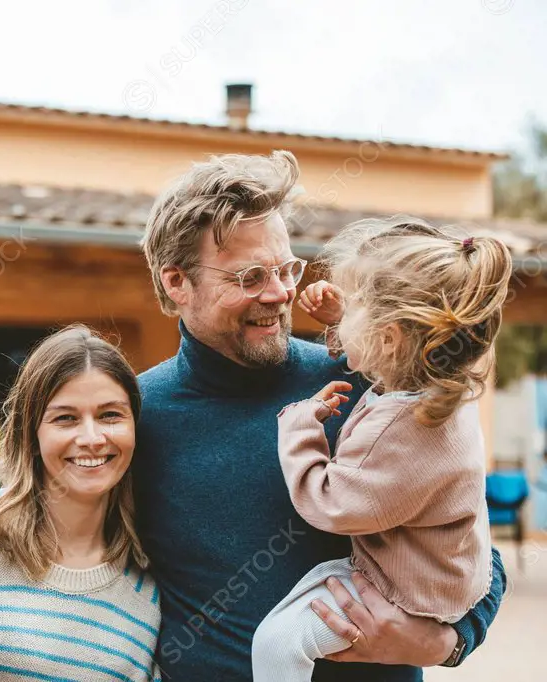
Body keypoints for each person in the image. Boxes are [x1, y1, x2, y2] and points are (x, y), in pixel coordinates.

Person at [135, 150, 506, 681]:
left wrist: (446, 640)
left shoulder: (374, 378)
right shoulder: (136, 414)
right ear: (176, 282)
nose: (281, 292)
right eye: (250, 276)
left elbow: (468, 540)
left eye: (287, 268)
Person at [251, 220, 510, 681]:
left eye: (355, 309)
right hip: (431, 576)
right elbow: (387, 371)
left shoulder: (403, 429)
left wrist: (297, 426)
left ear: (388, 338)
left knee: (276, 644)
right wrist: (342, 323)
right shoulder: (433, 394)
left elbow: (331, 501)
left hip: (399, 593)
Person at [0, 326, 163, 681]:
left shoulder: (147, 588)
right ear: (32, 432)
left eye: (110, 415)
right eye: (66, 418)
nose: (91, 438)